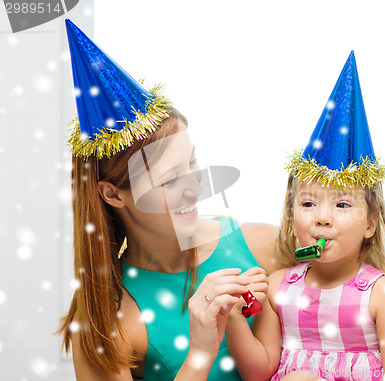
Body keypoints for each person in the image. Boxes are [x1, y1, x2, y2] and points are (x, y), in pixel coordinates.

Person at [58, 20, 278, 381]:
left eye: (191, 162)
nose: (194, 187)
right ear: (113, 194)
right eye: (170, 179)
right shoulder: (107, 319)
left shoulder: (264, 246)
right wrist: (201, 352)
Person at [225, 52, 385, 380]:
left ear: (370, 224)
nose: (323, 218)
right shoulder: (278, 289)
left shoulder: (381, 294)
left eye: (342, 205)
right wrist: (231, 318)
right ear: (291, 216)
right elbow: (258, 372)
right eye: (308, 204)